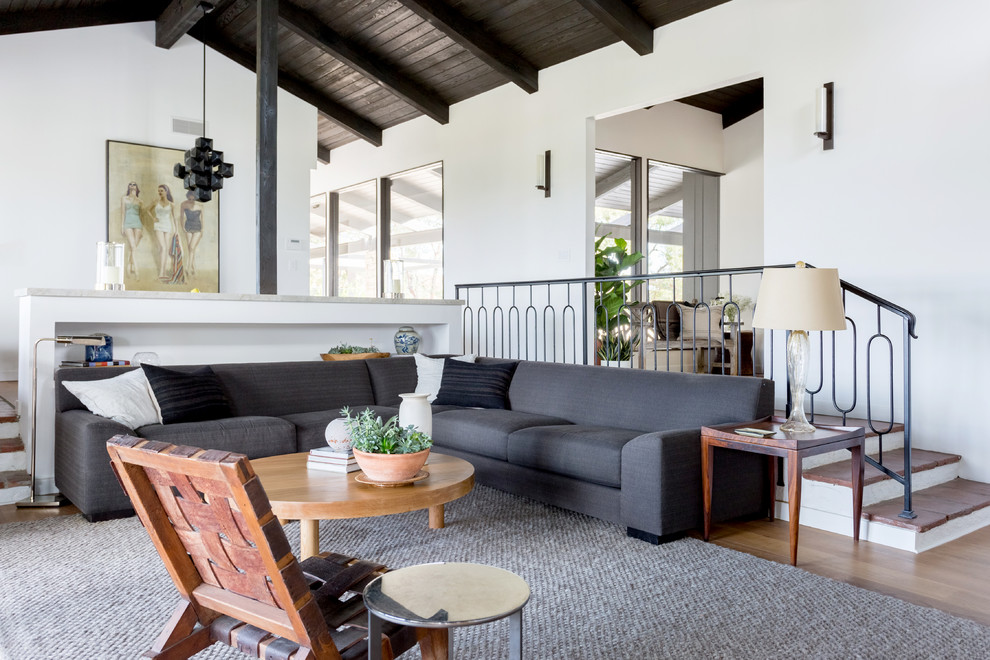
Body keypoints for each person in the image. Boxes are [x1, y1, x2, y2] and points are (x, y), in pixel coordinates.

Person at [149, 184, 182, 282]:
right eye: (159, 191)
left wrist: (176, 231)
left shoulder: (171, 204)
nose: (159, 192)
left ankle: (163, 272)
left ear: (166, 192)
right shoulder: (155, 202)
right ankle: (161, 272)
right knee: (163, 247)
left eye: (161, 191)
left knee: (165, 249)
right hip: (158, 226)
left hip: (168, 226)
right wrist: (153, 218)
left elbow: (175, 218)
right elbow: (148, 210)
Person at [120, 182, 143, 276]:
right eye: (130, 184)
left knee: (132, 248)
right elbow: (122, 213)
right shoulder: (124, 199)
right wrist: (122, 226)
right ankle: (136, 270)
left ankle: (129, 265)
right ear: (128, 186)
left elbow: (141, 216)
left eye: (134, 184)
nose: (132, 185)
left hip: (138, 224)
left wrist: (143, 229)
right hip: (128, 223)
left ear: (137, 188)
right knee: (133, 247)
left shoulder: (140, 201)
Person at [180, 191, 204, 276]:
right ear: (187, 196)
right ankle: (194, 269)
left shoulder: (200, 206)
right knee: (190, 249)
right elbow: (181, 217)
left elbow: (202, 219)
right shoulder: (183, 204)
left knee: (192, 247)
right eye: (189, 198)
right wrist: (182, 227)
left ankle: (188, 268)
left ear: (195, 197)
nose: (191, 200)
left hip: (197, 228)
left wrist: (202, 230)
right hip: (188, 227)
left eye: (192, 198)